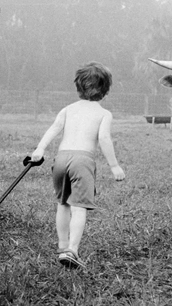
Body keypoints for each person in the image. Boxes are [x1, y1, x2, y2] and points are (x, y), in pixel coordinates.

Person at [29, 62, 125, 269]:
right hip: (83, 160)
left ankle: (62, 246)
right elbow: (104, 139)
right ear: (106, 89)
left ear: (78, 86)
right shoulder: (103, 114)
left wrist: (39, 150)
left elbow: (53, 129)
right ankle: (72, 249)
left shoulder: (68, 109)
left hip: (61, 159)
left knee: (63, 204)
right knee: (79, 207)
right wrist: (114, 165)